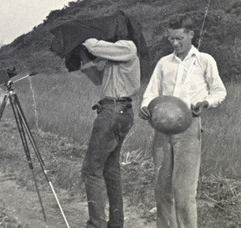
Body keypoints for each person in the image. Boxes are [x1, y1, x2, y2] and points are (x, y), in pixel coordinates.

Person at [138, 14, 227, 228]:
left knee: (185, 191)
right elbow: (150, 93)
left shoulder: (204, 60)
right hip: (161, 129)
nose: (175, 43)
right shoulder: (163, 63)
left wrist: (206, 102)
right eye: (171, 39)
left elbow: (219, 91)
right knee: (162, 188)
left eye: (179, 38)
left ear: (191, 35)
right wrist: (145, 107)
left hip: (189, 129)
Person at [81, 37, 141, 228]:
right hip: (117, 111)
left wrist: (88, 42)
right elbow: (100, 80)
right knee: (110, 169)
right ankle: (115, 223)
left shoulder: (127, 46)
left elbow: (95, 46)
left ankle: (96, 224)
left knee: (92, 170)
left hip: (113, 112)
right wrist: (85, 62)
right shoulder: (115, 57)